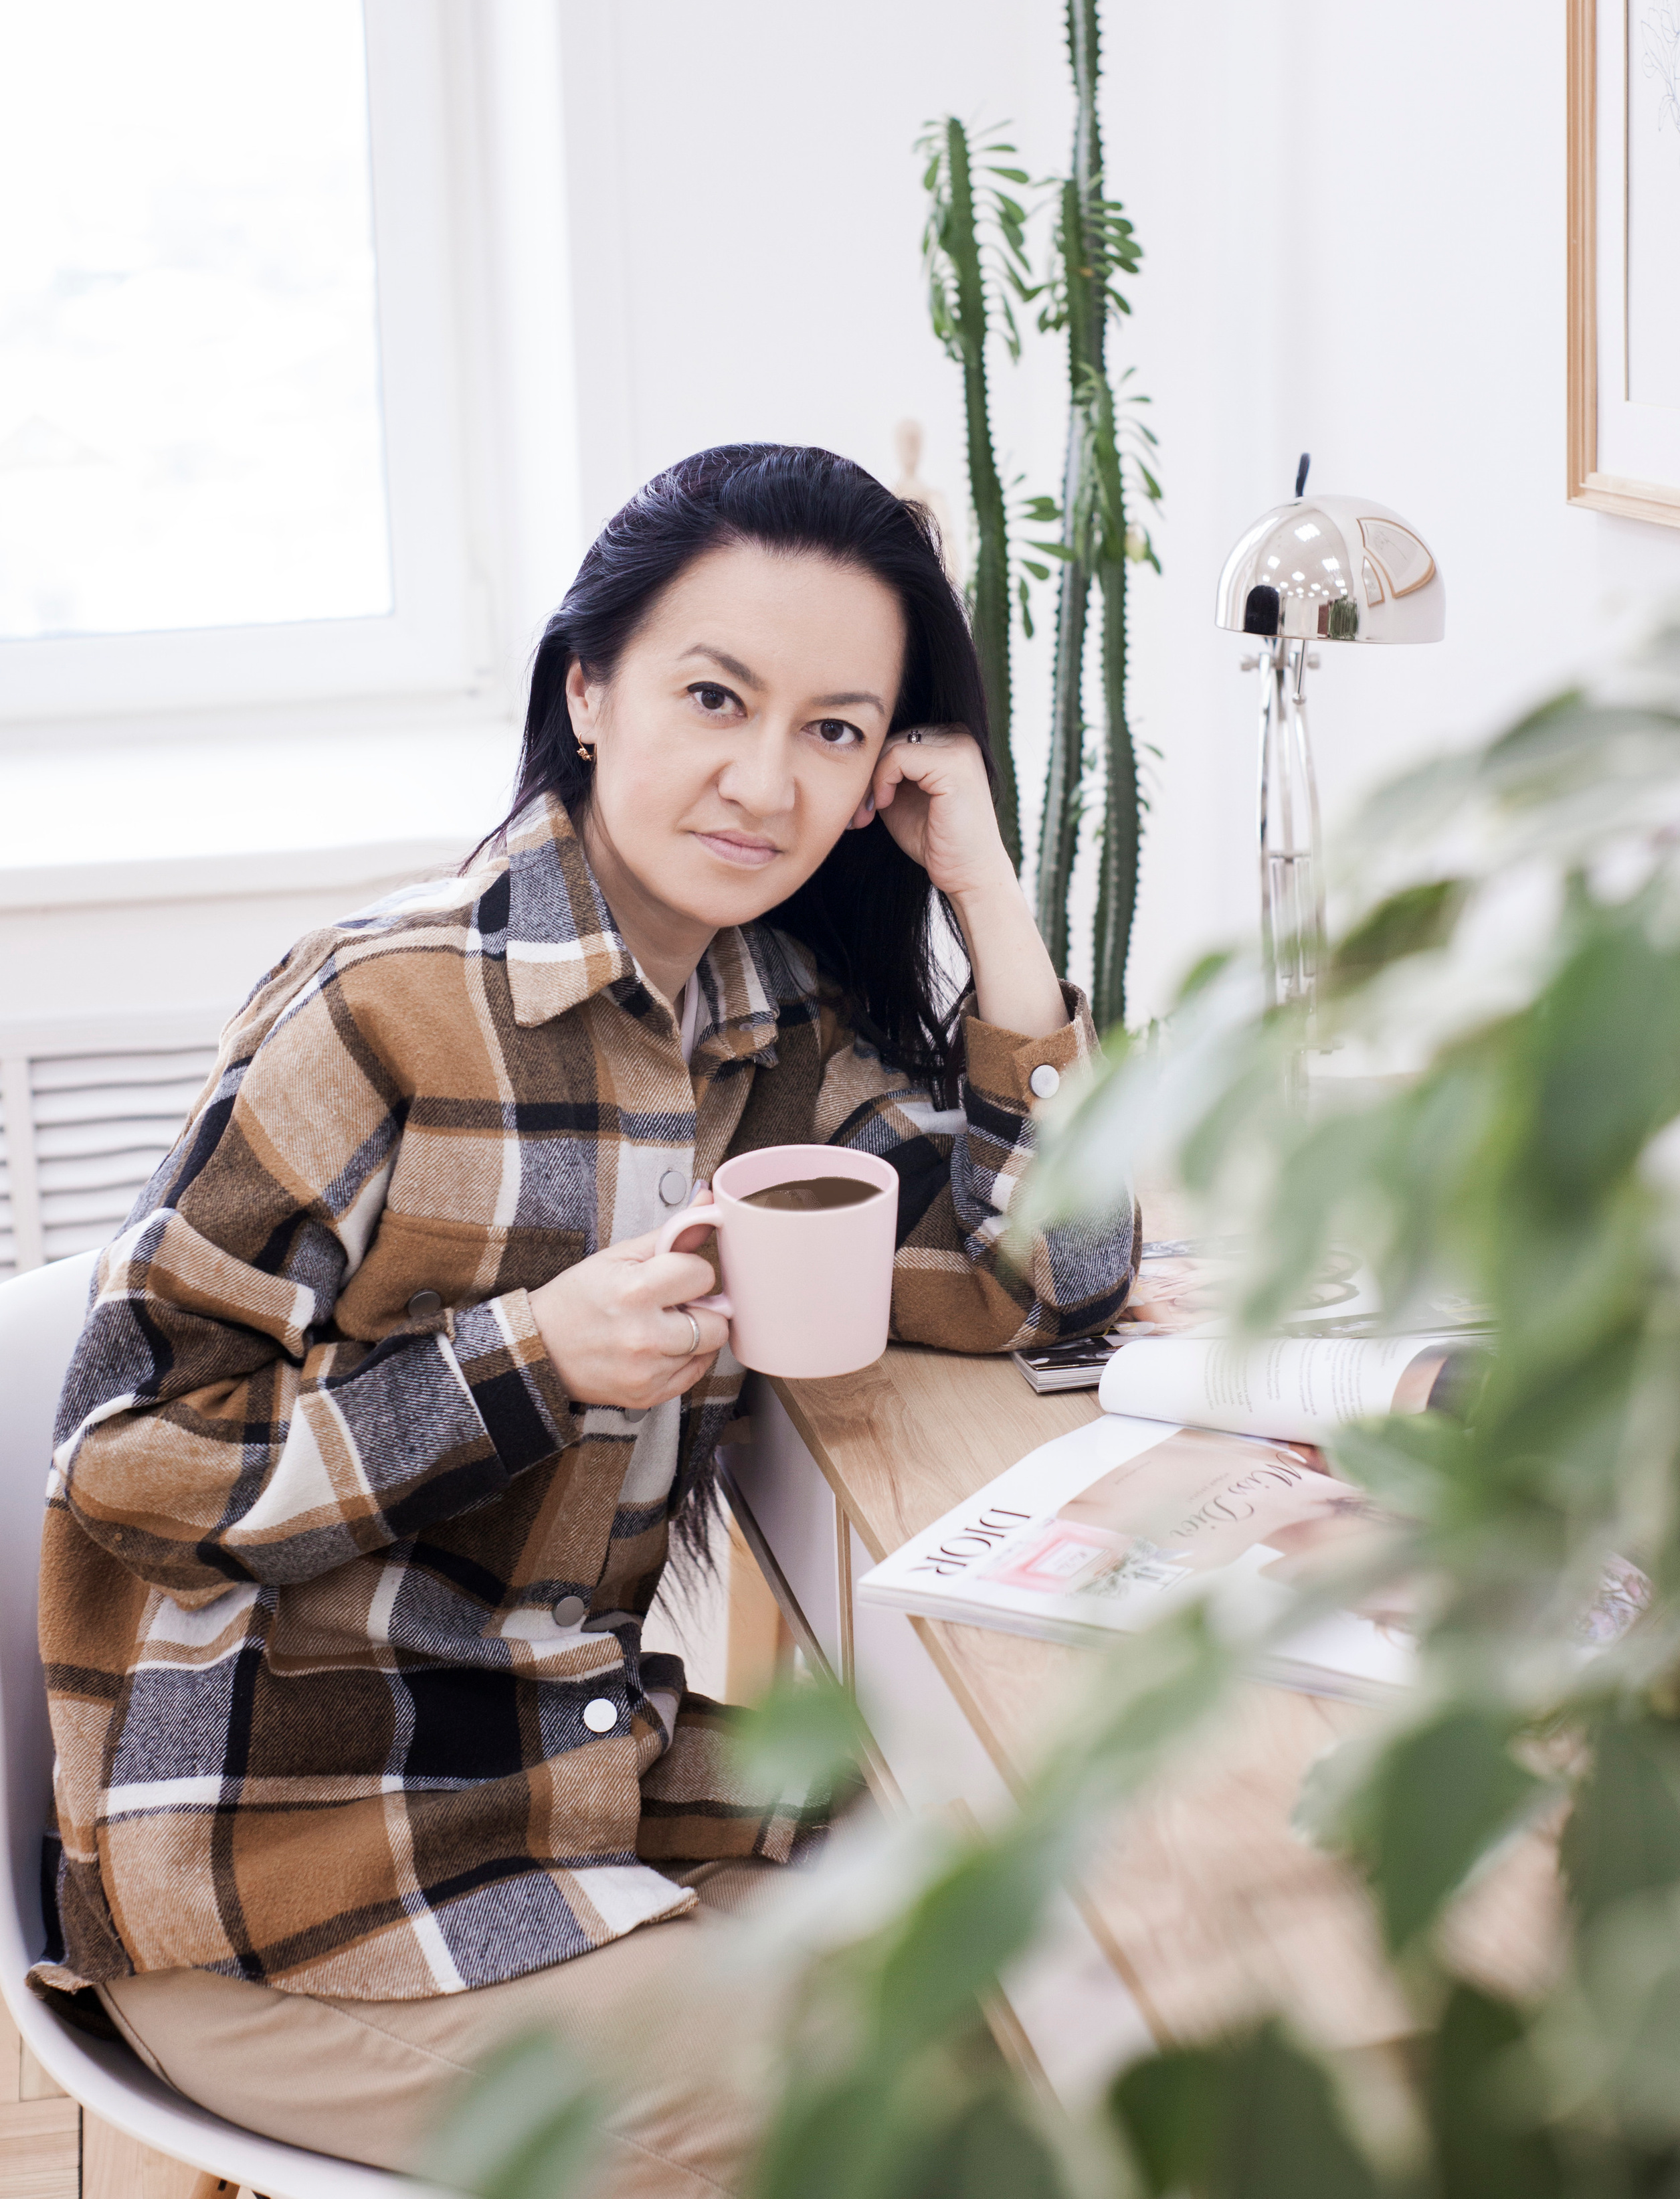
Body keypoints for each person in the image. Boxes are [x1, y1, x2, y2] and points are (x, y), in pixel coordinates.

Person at [34, 443, 1140, 2195]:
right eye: (717, 695)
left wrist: (990, 898)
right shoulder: (381, 1013)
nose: (763, 776)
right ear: (589, 690)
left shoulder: (764, 1033)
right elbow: (125, 1468)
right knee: (897, 2118)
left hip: (566, 1782)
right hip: (289, 1878)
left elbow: (1047, 1279)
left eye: (835, 730)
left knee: (1050, 1915)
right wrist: (527, 1366)